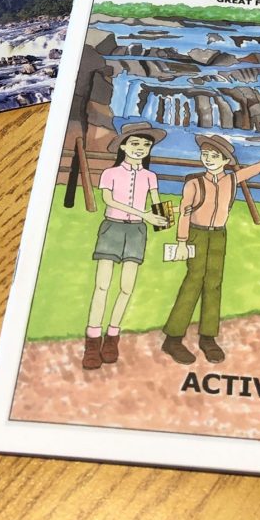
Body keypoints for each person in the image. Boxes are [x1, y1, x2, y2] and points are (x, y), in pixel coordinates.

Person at [161, 134, 260, 365]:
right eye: (205, 155)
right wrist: (182, 240)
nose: (208, 159)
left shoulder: (232, 180)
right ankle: (173, 338)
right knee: (193, 281)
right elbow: (184, 211)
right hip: (196, 234)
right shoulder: (194, 182)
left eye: (215, 156)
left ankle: (208, 337)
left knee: (214, 284)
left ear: (226, 161)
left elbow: (257, 168)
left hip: (218, 235)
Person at [83, 122, 168, 370]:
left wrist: (162, 220)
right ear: (122, 145)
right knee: (102, 285)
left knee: (127, 288)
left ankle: (112, 336)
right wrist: (145, 214)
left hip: (137, 231)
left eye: (145, 144)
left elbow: (156, 203)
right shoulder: (110, 173)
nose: (140, 148)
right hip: (112, 227)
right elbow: (109, 200)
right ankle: (92, 339)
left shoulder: (150, 176)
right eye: (135, 143)